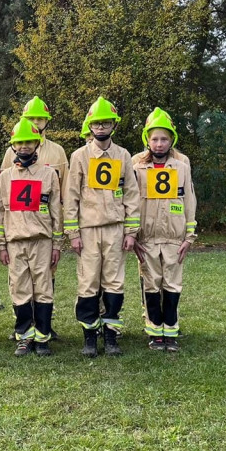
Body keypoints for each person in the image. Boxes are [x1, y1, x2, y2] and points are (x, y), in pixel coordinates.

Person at [63, 96, 141, 357]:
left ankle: (110, 335)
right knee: (87, 283)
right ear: (89, 125)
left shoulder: (123, 155)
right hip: (87, 230)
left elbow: (131, 194)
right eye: (96, 123)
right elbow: (71, 196)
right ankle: (89, 335)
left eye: (105, 123)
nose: (100, 128)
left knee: (114, 282)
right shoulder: (79, 156)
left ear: (113, 125)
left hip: (115, 230)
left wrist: (131, 232)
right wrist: (73, 233)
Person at [0, 96, 69, 340]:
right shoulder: (10, 160)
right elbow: (4, 199)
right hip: (18, 231)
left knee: (45, 281)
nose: (36, 122)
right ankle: (22, 329)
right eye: (31, 118)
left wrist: (59, 234)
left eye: (40, 119)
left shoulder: (58, 152)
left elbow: (63, 192)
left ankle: (44, 328)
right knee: (19, 284)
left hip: (43, 230)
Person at [132, 109, 197, 352]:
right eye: (155, 139)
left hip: (173, 238)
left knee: (172, 284)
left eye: (164, 139)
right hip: (147, 238)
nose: (159, 144)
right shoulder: (136, 166)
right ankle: (154, 331)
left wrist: (189, 237)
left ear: (172, 140)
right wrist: (132, 235)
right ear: (147, 140)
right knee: (151, 283)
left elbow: (189, 201)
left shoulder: (181, 166)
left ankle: (171, 330)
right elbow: (130, 201)